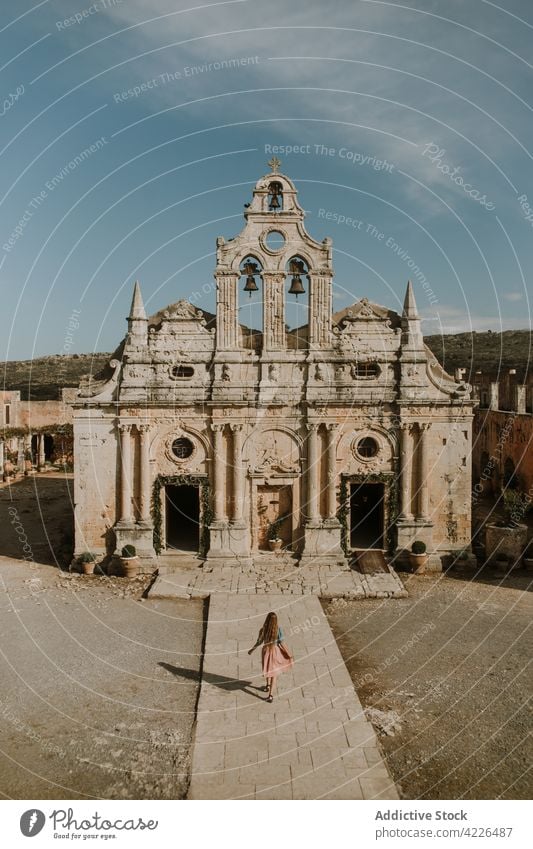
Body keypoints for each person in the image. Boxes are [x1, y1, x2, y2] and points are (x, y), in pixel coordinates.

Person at [248, 611, 293, 702]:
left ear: (267, 620)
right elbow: (282, 643)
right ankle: (270, 695)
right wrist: (289, 654)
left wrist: (252, 650)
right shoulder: (278, 629)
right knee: (274, 674)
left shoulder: (263, 630)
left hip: (266, 652)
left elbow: (259, 642)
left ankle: (267, 685)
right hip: (275, 651)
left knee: (268, 669)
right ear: (276, 621)